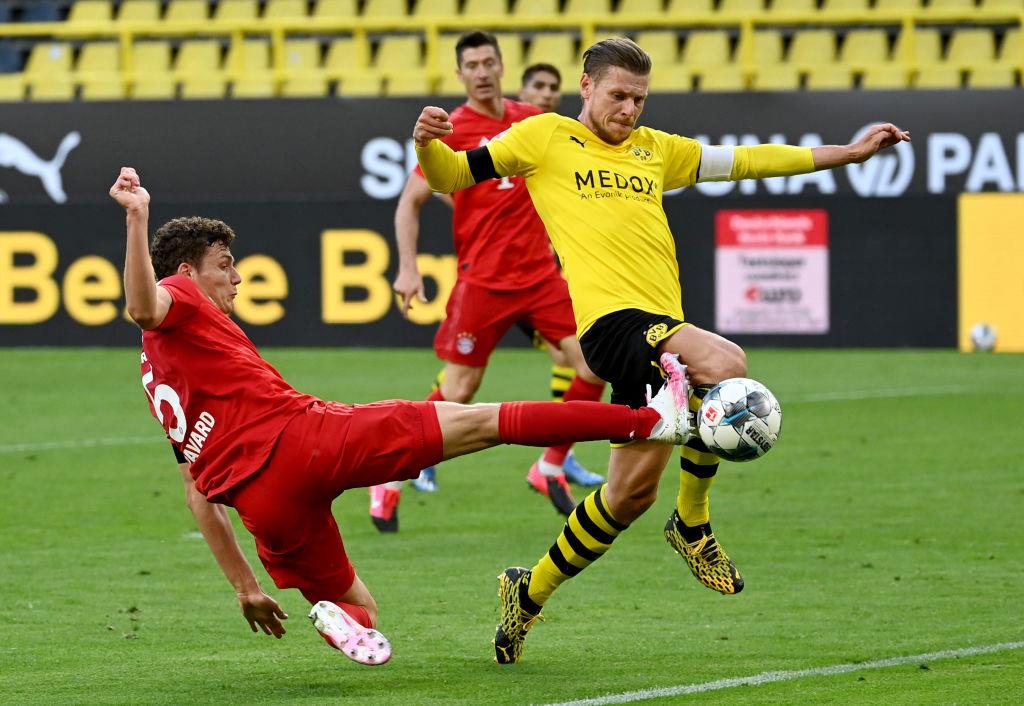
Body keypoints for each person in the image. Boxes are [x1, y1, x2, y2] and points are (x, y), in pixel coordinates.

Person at [412, 37, 911, 664]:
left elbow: (750, 161)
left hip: (657, 333)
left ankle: (528, 591)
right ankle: (693, 522)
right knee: (725, 365)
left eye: (640, 99)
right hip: (611, 326)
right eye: (618, 95)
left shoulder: (656, 150)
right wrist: (427, 144)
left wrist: (849, 152)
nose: (629, 109)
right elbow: (451, 176)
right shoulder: (543, 137)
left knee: (627, 497)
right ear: (586, 86)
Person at [110, 165, 693, 666]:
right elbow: (143, 305)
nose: (236, 277)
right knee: (483, 421)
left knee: (360, 608)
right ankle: (651, 420)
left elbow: (197, 496)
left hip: (263, 506)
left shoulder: (157, 372)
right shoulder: (176, 293)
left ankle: (336, 620)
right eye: (225, 265)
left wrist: (246, 588)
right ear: (187, 271)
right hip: (307, 440)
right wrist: (137, 217)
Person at [372, 31, 606, 532]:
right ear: (460, 74)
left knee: (595, 361)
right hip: (484, 280)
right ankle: (389, 474)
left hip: (540, 276)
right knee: (459, 388)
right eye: (471, 65)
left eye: (488, 62)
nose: (481, 71)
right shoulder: (451, 128)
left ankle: (549, 466)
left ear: (502, 66)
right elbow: (410, 200)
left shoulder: (531, 120)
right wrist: (408, 266)